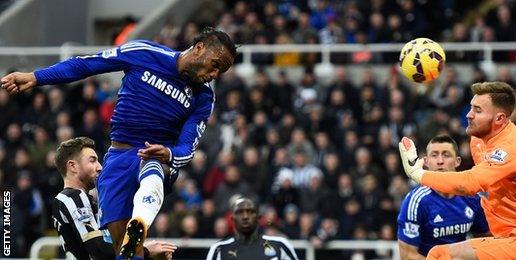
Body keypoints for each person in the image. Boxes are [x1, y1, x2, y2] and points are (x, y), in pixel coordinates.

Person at [2, 27, 236, 259]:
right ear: (199, 48)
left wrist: (169, 154)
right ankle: (139, 247)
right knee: (122, 250)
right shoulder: (145, 53)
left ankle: (141, 222)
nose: (215, 74)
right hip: (118, 158)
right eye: (215, 64)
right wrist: (35, 77)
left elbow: (187, 148)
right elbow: (85, 65)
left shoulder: (204, 97)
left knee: (153, 166)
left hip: (154, 157)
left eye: (221, 71)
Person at [399, 82, 516, 259]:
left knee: (439, 253)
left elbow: (471, 183)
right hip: (505, 239)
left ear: (499, 119)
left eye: (478, 110)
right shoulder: (478, 138)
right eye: (471, 107)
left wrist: (419, 174)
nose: (469, 114)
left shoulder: (510, 149)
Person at [51, 137, 177, 259]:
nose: (99, 167)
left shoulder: (85, 199)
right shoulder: (73, 198)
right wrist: (145, 251)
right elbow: (98, 249)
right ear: (72, 166)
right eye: (92, 160)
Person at [397, 135, 490, 259]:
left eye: (446, 155)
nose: (440, 161)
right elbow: (407, 256)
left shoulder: (472, 197)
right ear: (426, 162)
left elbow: (486, 240)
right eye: (434, 155)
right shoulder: (416, 201)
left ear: (457, 161)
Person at [206, 197, 298, 260]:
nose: (245, 216)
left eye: (250, 212)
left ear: (259, 217)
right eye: (240, 212)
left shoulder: (280, 245)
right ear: (232, 219)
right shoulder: (219, 249)